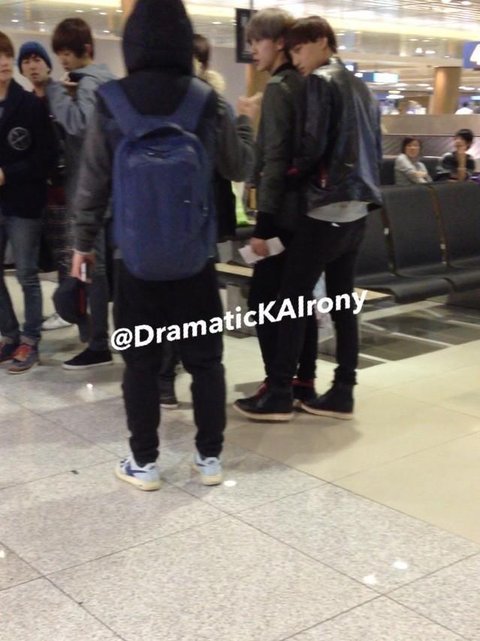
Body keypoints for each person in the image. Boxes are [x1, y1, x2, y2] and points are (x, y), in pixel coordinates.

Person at [70, 0, 254, 491]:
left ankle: (144, 462)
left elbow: (92, 182)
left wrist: (81, 243)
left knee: (140, 363)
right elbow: (238, 166)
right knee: (206, 361)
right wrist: (243, 122)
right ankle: (209, 459)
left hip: (134, 260)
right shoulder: (206, 99)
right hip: (196, 258)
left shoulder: (111, 100)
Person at [234, 15, 382, 422]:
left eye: (300, 49)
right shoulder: (361, 87)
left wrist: (291, 176)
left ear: (320, 41)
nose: (297, 58)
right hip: (358, 209)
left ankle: (280, 391)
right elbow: (373, 145)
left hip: (321, 208)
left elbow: (307, 146)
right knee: (341, 300)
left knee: (290, 300)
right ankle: (341, 389)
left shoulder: (316, 80)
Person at [233, 8, 319, 420]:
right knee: (296, 302)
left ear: (279, 43)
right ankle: (302, 380)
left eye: (257, 41)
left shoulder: (281, 88)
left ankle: (277, 386)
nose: (252, 50)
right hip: (308, 214)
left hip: (283, 217)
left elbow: (275, 160)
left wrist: (263, 226)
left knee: (265, 300)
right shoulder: (305, 84)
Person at [45, 18, 116, 368]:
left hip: (92, 193)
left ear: (86, 49)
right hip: (108, 191)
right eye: (60, 54)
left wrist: (54, 93)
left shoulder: (88, 82)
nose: (64, 61)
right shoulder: (107, 81)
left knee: (94, 269)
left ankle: (98, 342)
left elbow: (80, 125)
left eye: (68, 53)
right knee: (102, 269)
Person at [0, 32, 57, 373]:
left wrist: (7, 174)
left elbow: (46, 158)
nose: (4, 62)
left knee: (26, 273)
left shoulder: (30, 105)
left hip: (24, 202)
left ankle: (30, 339)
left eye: (7, 55)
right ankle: (9, 335)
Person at [18, 41, 72, 331]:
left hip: (61, 187)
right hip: (35, 190)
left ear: (47, 64)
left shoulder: (60, 95)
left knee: (65, 253)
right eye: (26, 61)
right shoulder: (25, 103)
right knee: (43, 256)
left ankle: (67, 311)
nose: (32, 65)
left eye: (37, 59)